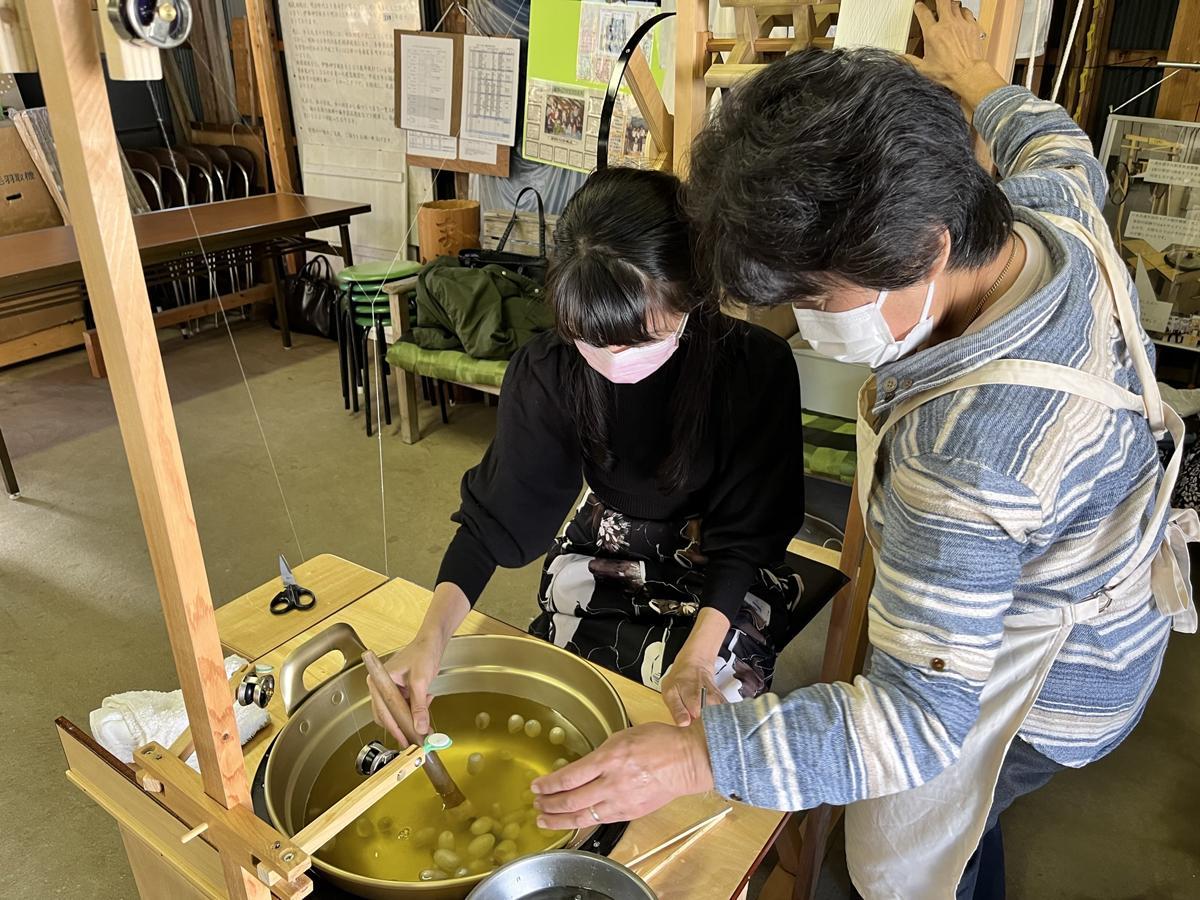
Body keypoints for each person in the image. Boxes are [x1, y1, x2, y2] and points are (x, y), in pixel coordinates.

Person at [530, 4, 1197, 899]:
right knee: (965, 823)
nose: (804, 326)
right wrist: (979, 79)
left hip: (1055, 681)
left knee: (904, 856)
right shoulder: (1052, 215)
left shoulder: (963, 457)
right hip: (1089, 574)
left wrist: (699, 756)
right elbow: (1056, 143)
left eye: (815, 296)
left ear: (929, 247)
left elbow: (921, 721)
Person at [369, 166, 825, 740]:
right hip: (607, 538)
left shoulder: (754, 370)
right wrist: (428, 637)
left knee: (695, 726)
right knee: (566, 690)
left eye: (642, 339)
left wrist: (698, 657)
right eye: (593, 339)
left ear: (693, 293)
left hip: (721, 558)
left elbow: (746, 536)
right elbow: (500, 515)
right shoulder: (549, 368)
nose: (614, 357)